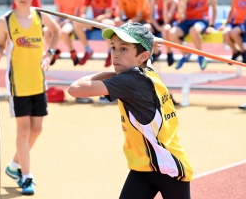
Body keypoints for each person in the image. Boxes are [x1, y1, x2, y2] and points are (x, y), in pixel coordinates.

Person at [68, 22, 193, 199]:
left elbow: (75, 88)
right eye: (113, 47)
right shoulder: (145, 70)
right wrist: (148, 43)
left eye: (124, 49)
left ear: (143, 56)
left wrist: (111, 74)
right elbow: (142, 59)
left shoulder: (129, 81)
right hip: (143, 166)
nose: (115, 55)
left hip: (168, 168)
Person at [0, 0, 60, 195]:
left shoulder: (40, 15)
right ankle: (27, 176)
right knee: (24, 129)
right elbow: (1, 46)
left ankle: (14, 165)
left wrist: (49, 54)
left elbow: (56, 31)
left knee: (36, 130)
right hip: (18, 84)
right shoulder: (5, 21)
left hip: (38, 82)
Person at [168, 0, 217, 70]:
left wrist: (212, 25)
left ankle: (201, 55)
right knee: (172, 34)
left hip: (201, 20)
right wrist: (181, 7)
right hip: (187, 21)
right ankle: (186, 54)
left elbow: (215, 8)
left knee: (193, 31)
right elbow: (182, 18)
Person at [73, 0, 117, 67]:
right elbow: (83, 12)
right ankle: (88, 50)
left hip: (109, 20)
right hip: (95, 21)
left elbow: (108, 14)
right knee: (76, 22)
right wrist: (83, 17)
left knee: (105, 23)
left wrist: (94, 21)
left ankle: (110, 52)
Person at [43, 0, 82, 66]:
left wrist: (63, 23)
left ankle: (72, 52)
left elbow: (75, 15)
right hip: (61, 20)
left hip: (72, 20)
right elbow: (58, 14)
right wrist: (57, 23)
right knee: (46, 30)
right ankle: (55, 51)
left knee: (64, 32)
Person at [144, 0, 179, 66]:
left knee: (165, 28)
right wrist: (158, 28)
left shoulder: (173, 1)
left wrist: (165, 3)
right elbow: (150, 16)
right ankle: (155, 52)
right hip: (158, 22)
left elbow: (167, 20)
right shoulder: (154, 0)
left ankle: (169, 52)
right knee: (146, 28)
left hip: (170, 22)